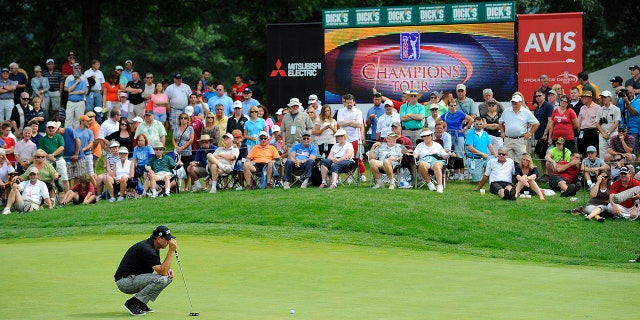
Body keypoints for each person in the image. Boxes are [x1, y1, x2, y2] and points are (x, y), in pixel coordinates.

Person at [114, 225, 177, 316]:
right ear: (159, 238)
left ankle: (141, 303)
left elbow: (159, 267)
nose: (169, 242)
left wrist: (168, 270)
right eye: (167, 239)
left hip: (134, 277)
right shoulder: (146, 249)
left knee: (168, 277)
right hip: (125, 281)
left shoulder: (153, 246)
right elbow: (162, 271)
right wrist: (171, 251)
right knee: (161, 279)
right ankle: (132, 303)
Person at [499, 95, 539, 164]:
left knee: (522, 160)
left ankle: (520, 174)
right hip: (508, 139)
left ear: (520, 102)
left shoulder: (526, 112)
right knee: (507, 160)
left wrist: (529, 133)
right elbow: (500, 122)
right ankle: (510, 174)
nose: (514, 103)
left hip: (520, 140)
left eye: (516, 102)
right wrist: (502, 131)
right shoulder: (506, 111)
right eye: (513, 102)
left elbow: (536, 123)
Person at [442, 97, 473, 180]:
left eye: (454, 105)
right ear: (448, 106)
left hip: (459, 135)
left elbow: (471, 120)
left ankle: (462, 173)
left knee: (460, 154)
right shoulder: (446, 114)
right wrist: (444, 126)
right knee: (451, 153)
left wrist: (465, 128)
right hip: (449, 134)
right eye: (451, 106)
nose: (453, 107)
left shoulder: (460, 113)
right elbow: (438, 120)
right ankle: (455, 173)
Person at [40, 121, 69, 193]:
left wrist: (53, 155)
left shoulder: (59, 137)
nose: (50, 129)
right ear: (46, 129)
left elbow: (62, 147)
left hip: (59, 159)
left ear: (55, 128)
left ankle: (66, 197)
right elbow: (41, 150)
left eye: (52, 128)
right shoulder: (43, 139)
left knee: (65, 178)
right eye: (49, 127)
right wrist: (49, 157)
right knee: (49, 180)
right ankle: (52, 198)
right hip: (48, 160)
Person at [465, 117, 497, 184]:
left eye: (480, 124)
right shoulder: (470, 133)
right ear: (474, 124)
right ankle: (477, 178)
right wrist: (482, 154)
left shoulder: (485, 133)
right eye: (477, 124)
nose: (478, 125)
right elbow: (470, 148)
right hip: (474, 159)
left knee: (495, 160)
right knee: (477, 181)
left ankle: (493, 178)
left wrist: (496, 155)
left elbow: (490, 145)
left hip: (485, 158)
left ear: (483, 124)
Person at [596, 90, 620, 157]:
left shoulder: (616, 109)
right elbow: (597, 123)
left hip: (613, 133)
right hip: (602, 133)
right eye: (602, 97)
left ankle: (614, 166)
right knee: (602, 149)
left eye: (605, 97)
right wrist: (603, 133)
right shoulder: (599, 110)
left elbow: (616, 122)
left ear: (610, 98)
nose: (603, 99)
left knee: (613, 150)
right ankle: (603, 166)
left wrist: (608, 133)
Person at [576, 90, 601, 157]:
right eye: (582, 98)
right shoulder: (582, 108)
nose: (582, 99)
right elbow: (579, 122)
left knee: (593, 150)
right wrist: (580, 131)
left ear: (590, 98)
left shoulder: (597, 108)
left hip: (592, 131)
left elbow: (600, 122)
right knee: (582, 151)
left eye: (584, 97)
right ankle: (584, 166)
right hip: (582, 131)